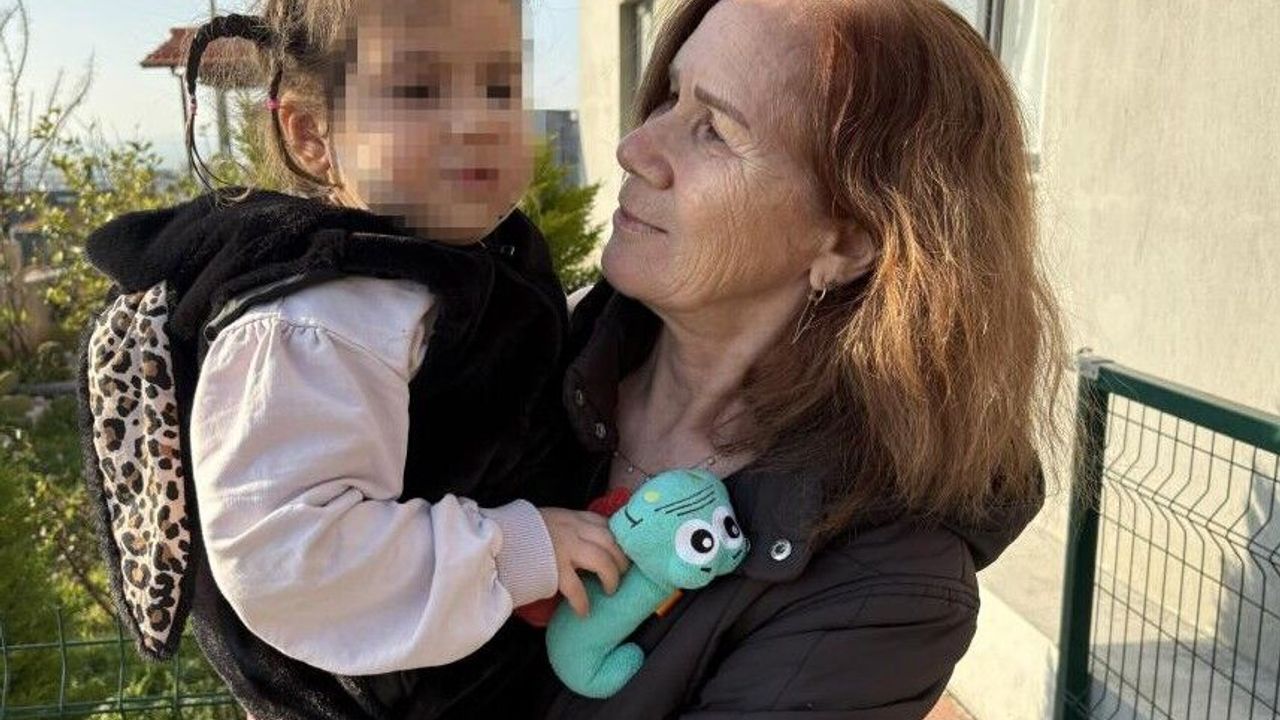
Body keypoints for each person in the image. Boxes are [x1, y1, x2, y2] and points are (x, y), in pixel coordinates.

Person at [81, 1, 626, 718]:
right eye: (419, 90)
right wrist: (517, 549)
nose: (477, 121)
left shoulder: (434, 272)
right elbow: (289, 556)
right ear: (312, 134)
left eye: (500, 87)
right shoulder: (318, 319)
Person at [535, 0, 1066, 716]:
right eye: (669, 95)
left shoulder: (883, 590)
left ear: (847, 241)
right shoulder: (516, 351)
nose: (635, 147)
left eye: (715, 129)